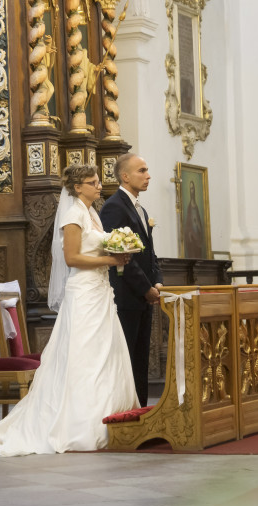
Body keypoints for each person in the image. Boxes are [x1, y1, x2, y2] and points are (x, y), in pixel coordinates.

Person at [0, 164, 139, 456]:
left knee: (106, 351)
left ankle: (111, 412)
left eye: (98, 181)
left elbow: (94, 249)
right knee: (84, 355)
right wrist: (111, 262)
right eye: (92, 182)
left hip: (100, 291)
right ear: (77, 187)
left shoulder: (92, 213)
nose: (98, 186)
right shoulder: (73, 214)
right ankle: (82, 422)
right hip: (84, 292)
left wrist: (117, 251)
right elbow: (73, 257)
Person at [99, 154, 164, 407]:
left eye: (147, 170)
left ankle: (140, 409)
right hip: (126, 296)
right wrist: (145, 287)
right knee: (127, 356)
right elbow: (122, 256)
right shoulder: (114, 207)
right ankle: (127, 408)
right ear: (125, 176)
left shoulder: (140, 209)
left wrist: (157, 281)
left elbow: (149, 252)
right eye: (142, 170)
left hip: (144, 295)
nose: (148, 175)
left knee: (140, 357)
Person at [183, 181, 205, 258]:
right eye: (190, 189)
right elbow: (187, 225)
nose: (192, 191)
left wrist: (197, 224)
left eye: (193, 188)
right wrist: (189, 232)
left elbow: (199, 224)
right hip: (192, 239)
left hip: (198, 237)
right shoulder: (189, 207)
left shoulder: (196, 207)